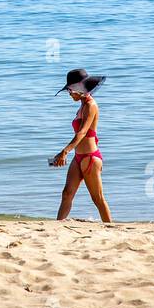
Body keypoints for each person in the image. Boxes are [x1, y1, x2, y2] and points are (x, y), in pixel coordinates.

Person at [50, 68, 113, 222]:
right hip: (79, 157)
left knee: (97, 199)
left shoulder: (91, 106)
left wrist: (65, 151)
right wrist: (68, 153)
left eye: (70, 90)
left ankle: (110, 227)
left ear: (79, 88)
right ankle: (57, 226)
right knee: (66, 194)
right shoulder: (82, 105)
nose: (69, 93)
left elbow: (82, 132)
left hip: (90, 158)